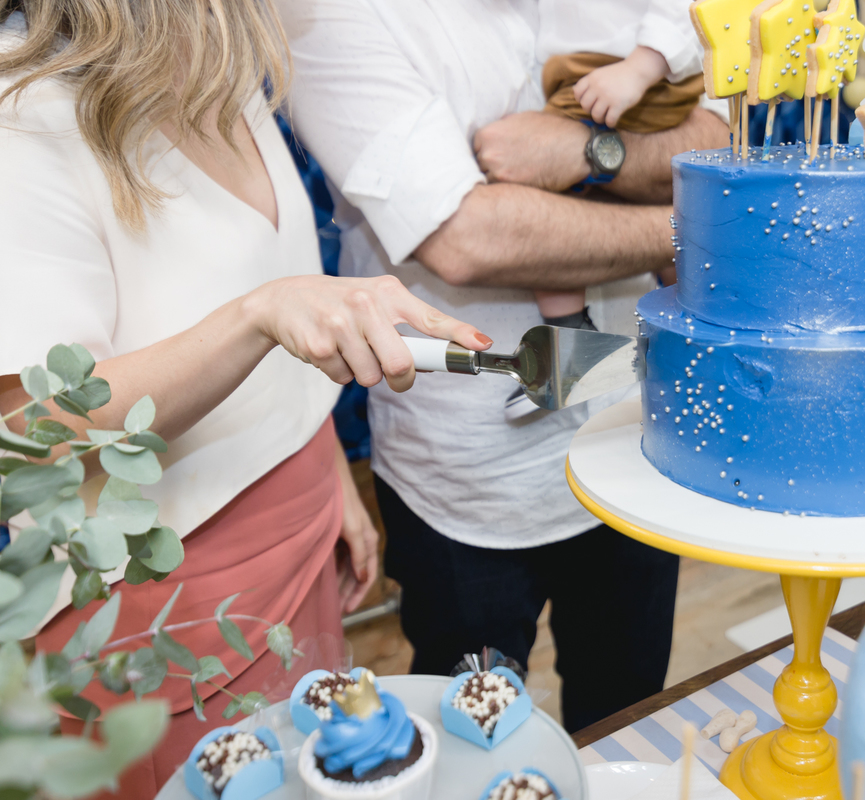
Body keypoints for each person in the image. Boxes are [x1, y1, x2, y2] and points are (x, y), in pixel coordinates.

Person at [0, 2, 488, 796]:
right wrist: (254, 318)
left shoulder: (223, 75)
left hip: (298, 533)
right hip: (159, 597)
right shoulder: (23, 115)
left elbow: (285, 306)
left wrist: (327, 470)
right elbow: (33, 425)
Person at [278, 0, 728, 732]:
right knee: (475, 735)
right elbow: (464, 236)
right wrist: (708, 230)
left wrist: (587, 151)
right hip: (469, 484)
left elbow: (712, 137)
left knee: (629, 714)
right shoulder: (330, 15)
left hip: (631, 431)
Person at [532, 0, 706, 332]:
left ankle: (567, 332)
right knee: (661, 202)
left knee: (547, 189)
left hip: (629, 70)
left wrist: (640, 68)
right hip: (597, 69)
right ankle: (690, 315)